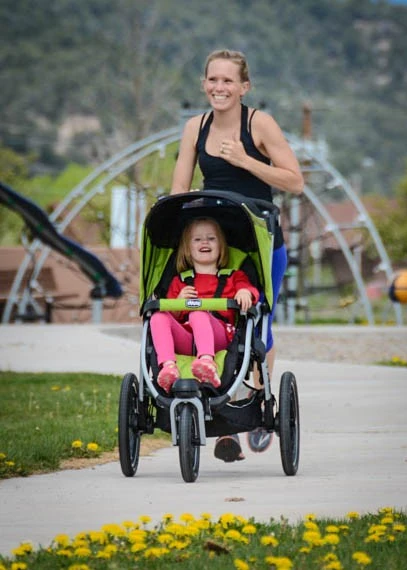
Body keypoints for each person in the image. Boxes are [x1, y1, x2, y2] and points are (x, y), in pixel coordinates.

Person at [170, 49, 304, 460]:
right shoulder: (196, 127)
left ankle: (254, 404)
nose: (219, 87)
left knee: (256, 325)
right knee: (212, 315)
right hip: (220, 240)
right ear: (203, 83)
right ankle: (223, 420)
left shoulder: (258, 123)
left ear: (244, 87)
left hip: (262, 241)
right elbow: (179, 191)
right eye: (213, 80)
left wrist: (246, 160)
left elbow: (294, 182)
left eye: (228, 81)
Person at [150, 217, 259, 394]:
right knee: (158, 316)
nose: (205, 242)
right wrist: (178, 302)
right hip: (188, 337)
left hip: (220, 336)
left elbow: (249, 290)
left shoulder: (234, 277)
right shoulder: (180, 281)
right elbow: (173, 317)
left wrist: (244, 293)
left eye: (211, 238)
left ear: (221, 246)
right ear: (187, 248)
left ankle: (207, 362)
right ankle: (168, 366)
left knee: (197, 313)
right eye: (197, 239)